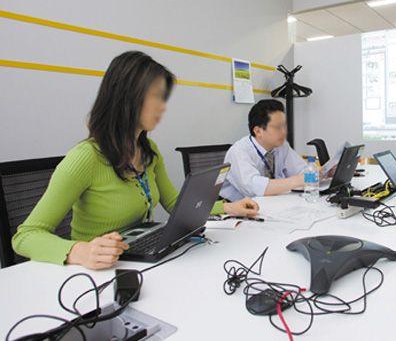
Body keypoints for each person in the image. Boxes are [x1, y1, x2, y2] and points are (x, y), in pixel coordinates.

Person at [12, 51, 259, 269]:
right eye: (156, 97)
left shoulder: (149, 150)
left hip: (137, 262)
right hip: (95, 273)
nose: (163, 107)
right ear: (127, 97)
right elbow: (25, 236)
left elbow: (174, 203)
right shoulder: (86, 158)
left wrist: (228, 208)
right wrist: (80, 251)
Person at [219, 99, 307, 201]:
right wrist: (297, 181)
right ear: (258, 131)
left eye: (284, 126)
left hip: (271, 203)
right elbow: (254, 189)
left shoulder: (282, 146)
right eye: (277, 127)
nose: (284, 132)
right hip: (235, 209)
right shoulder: (238, 151)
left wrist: (318, 173)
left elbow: (302, 171)